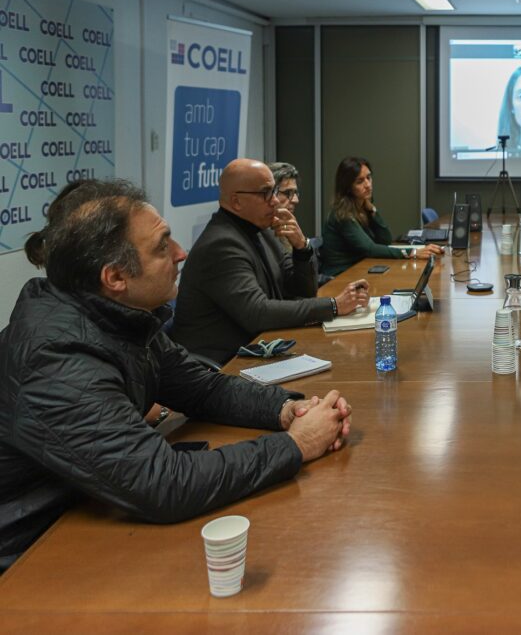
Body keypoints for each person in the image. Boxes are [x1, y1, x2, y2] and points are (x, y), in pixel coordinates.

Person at [0, 179, 353, 572]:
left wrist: (288, 409)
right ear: (115, 277)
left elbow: (202, 389)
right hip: (26, 557)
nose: (181, 253)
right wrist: (296, 446)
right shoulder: (57, 357)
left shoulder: (119, 316)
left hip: (91, 508)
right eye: (161, 246)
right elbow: (163, 483)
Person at [172, 158, 369, 364]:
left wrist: (301, 247)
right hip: (224, 365)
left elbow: (302, 291)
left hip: (259, 348)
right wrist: (334, 305)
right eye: (265, 193)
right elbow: (258, 313)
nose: (274, 201)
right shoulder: (221, 244)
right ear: (236, 201)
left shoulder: (261, 230)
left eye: (274, 192)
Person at [320, 156, 443, 277]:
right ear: (347, 187)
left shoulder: (362, 208)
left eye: (368, 177)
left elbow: (385, 240)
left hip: (359, 269)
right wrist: (413, 252)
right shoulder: (342, 215)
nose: (367, 184)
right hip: (339, 277)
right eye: (360, 181)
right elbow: (370, 249)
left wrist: (373, 211)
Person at [268, 161, 303, 252]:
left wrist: (302, 245)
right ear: (269, 193)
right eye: (287, 193)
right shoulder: (259, 233)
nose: (295, 200)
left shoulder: (288, 227)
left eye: (295, 193)